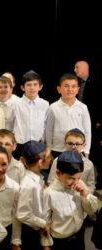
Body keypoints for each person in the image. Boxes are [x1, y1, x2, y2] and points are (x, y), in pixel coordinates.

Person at [42, 151, 99, 250]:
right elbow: (45, 222)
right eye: (71, 178)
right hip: (60, 241)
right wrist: (46, 245)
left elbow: (92, 210)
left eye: (79, 177)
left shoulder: (80, 184)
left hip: (79, 235)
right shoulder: (49, 193)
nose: (75, 182)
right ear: (58, 173)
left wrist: (85, 194)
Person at [45, 73, 91, 158]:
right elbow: (49, 130)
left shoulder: (83, 107)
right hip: (58, 149)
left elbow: (87, 130)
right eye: (66, 86)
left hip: (78, 149)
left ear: (77, 90)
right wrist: (49, 148)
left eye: (73, 86)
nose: (70, 89)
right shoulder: (53, 107)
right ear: (59, 89)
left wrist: (86, 151)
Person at [16, 140, 51, 250]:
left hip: (37, 228)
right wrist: (43, 224)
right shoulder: (29, 185)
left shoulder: (38, 178)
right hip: (31, 232)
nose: (51, 159)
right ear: (40, 162)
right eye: (49, 157)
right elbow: (22, 214)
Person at [74, 60, 102, 189]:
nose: (75, 70)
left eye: (77, 67)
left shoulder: (96, 83)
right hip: (78, 123)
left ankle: (95, 181)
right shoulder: (76, 84)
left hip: (94, 125)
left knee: (95, 153)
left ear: (85, 68)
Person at [11, 70, 49, 159]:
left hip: (38, 145)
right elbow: (11, 124)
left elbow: (46, 125)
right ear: (22, 87)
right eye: (28, 85)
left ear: (40, 87)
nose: (32, 87)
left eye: (35, 84)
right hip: (20, 145)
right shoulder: (16, 104)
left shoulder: (45, 104)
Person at [47, 128, 96, 193]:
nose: (73, 147)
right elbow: (51, 181)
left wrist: (84, 191)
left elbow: (91, 187)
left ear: (84, 145)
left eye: (77, 144)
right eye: (70, 143)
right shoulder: (57, 161)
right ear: (65, 144)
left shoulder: (89, 164)